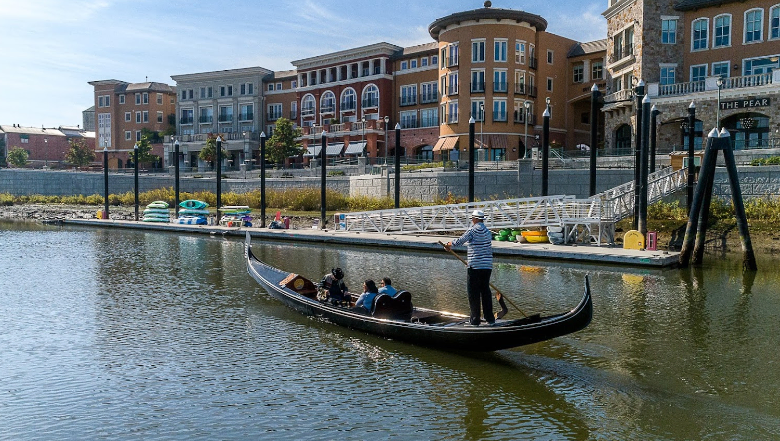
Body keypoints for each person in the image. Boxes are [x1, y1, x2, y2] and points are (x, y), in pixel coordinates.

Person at [445, 210, 494, 326]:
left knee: (474, 293)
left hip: (475, 266)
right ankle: (490, 318)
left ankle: (475, 319)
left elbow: (460, 241)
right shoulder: (488, 232)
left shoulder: (472, 230)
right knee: (485, 291)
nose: (472, 220)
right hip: (487, 266)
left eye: (472, 218)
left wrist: (449, 245)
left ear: (475, 219)